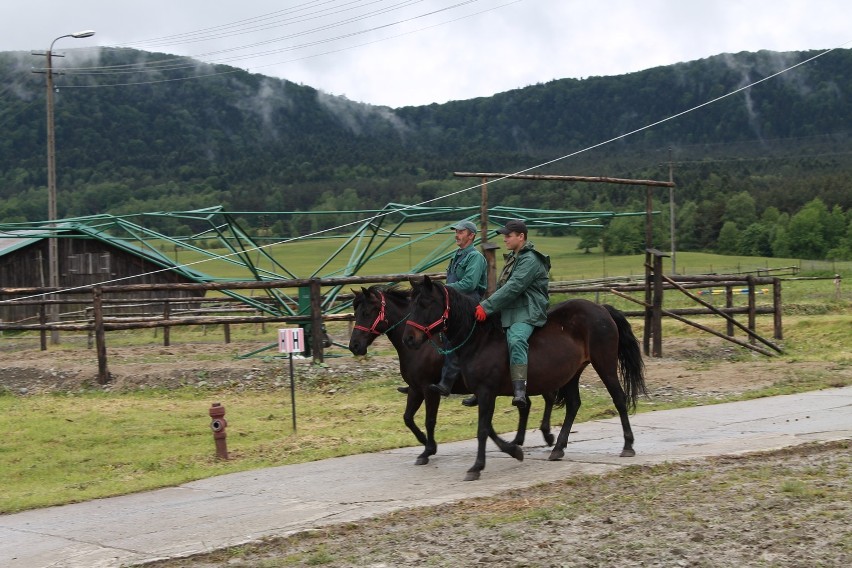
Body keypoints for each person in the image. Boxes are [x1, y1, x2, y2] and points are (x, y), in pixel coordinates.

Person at [399, 220, 487, 407]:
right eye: (456, 231)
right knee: (430, 334)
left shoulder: (475, 258)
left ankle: (460, 385)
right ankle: (419, 380)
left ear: (471, 235)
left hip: (469, 307)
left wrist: (441, 291)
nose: (456, 235)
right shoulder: (457, 256)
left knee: (457, 343)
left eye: (460, 232)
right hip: (454, 307)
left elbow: (469, 284)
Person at [474, 219, 550, 409]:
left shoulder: (530, 259)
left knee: (516, 340)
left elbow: (513, 287)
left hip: (528, 310)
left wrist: (487, 306)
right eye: (504, 235)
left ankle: (519, 390)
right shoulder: (514, 257)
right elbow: (504, 288)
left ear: (521, 237)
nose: (505, 239)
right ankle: (481, 385)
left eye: (508, 235)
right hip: (510, 309)